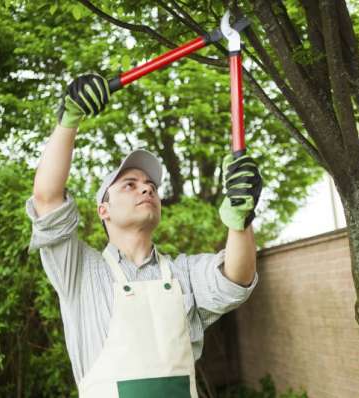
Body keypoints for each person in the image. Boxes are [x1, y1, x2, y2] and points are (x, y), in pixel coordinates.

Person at [25, 74, 263, 397]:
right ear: (104, 210)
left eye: (150, 186)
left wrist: (241, 218)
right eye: (130, 185)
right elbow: (47, 199)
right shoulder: (79, 272)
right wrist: (69, 118)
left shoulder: (184, 274)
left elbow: (237, 276)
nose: (147, 188)